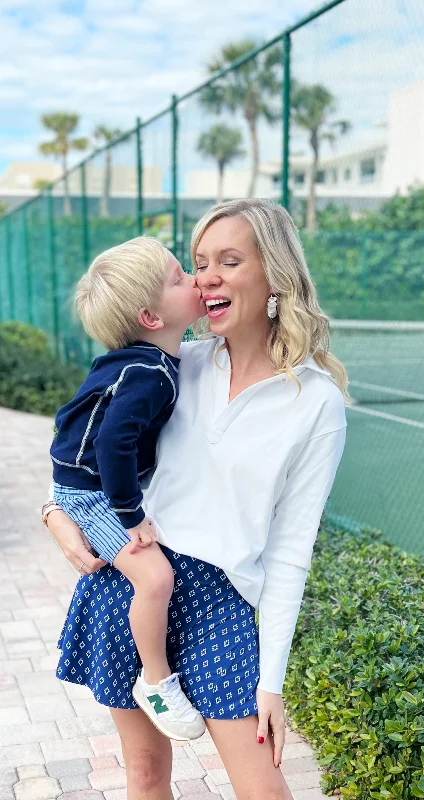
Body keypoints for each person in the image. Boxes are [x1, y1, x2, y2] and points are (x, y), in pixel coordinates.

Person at [44, 198, 348, 800]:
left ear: (274, 275)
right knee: (147, 777)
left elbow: (290, 552)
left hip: (220, 601)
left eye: (228, 260)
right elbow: (85, 438)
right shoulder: (172, 364)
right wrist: (54, 512)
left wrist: (272, 682)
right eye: (197, 262)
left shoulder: (317, 404)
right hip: (132, 583)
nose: (206, 276)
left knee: (263, 787)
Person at [49, 237, 205, 740]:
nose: (195, 279)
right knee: (154, 577)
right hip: (92, 492)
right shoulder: (149, 373)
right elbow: (114, 443)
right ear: (151, 317)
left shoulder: (144, 362)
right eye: (180, 278)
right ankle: (156, 680)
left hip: (86, 484)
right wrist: (131, 516)